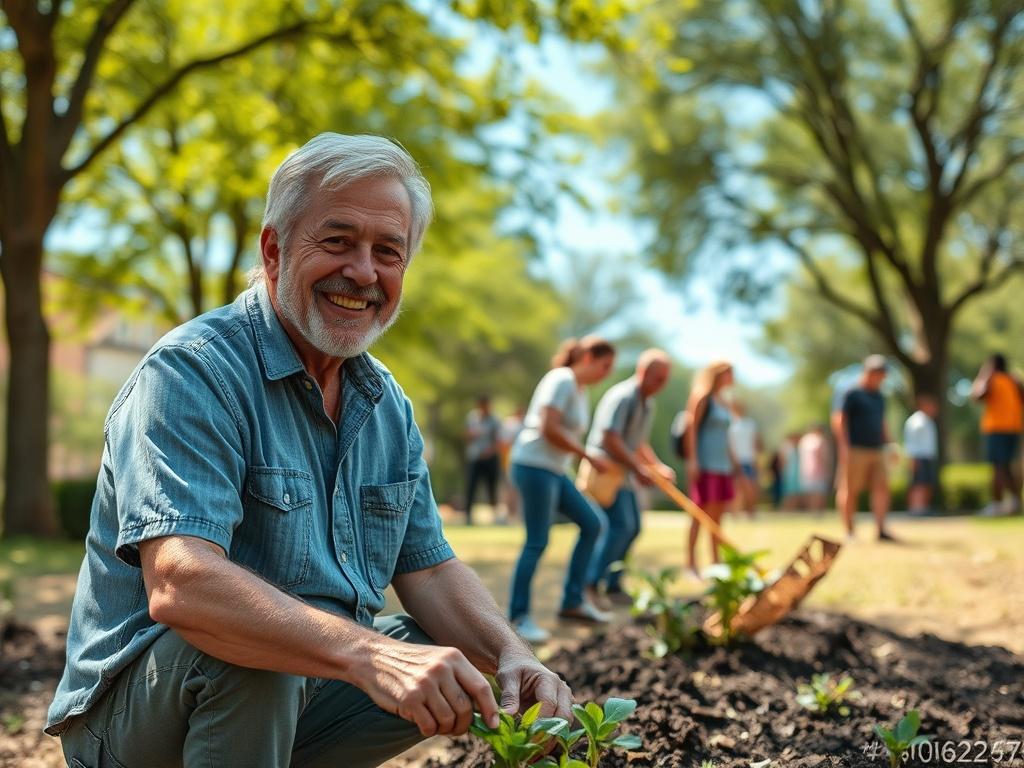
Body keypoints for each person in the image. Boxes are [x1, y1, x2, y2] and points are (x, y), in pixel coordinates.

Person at [46, 134, 572, 768]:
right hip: (136, 731)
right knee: (251, 652)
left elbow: (430, 570)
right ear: (274, 250)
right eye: (337, 241)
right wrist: (372, 655)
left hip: (293, 704)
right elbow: (180, 584)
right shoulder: (191, 373)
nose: (363, 272)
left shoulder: (386, 405)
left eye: (388, 252)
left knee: (447, 646)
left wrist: (514, 656)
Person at [508, 337, 616, 642]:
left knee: (593, 524)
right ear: (587, 358)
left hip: (554, 469)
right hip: (533, 466)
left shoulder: (580, 391)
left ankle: (572, 602)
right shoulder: (562, 379)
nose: (605, 374)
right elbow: (548, 427)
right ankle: (518, 617)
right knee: (537, 541)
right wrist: (587, 456)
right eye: (604, 366)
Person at [583, 349, 675, 608]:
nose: (662, 385)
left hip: (623, 472)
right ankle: (590, 585)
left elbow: (637, 441)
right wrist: (638, 468)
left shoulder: (647, 402)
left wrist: (656, 466)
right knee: (620, 526)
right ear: (643, 372)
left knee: (632, 527)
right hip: (606, 471)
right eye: (658, 378)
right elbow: (610, 438)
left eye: (665, 379)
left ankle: (613, 585)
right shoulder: (624, 397)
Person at [685, 360, 740, 574]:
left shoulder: (724, 402)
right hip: (705, 464)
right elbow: (691, 429)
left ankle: (716, 563)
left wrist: (734, 461)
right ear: (718, 374)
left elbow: (726, 436)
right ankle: (690, 563)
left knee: (717, 517)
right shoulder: (702, 397)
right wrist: (692, 460)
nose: (732, 377)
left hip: (722, 466)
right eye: (729, 373)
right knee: (699, 514)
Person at [836, 354, 894, 541]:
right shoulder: (851, 393)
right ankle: (849, 530)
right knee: (850, 490)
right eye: (878, 375)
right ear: (868, 372)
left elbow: (882, 423)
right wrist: (844, 447)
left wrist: (890, 444)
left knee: (882, 488)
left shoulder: (879, 396)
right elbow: (839, 421)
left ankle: (881, 529)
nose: (880, 380)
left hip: (877, 449)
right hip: (856, 449)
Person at [972, 354, 1024, 517]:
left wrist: (983, 375)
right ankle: (1015, 501)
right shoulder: (1014, 381)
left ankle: (997, 504)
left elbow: (977, 396)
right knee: (1007, 466)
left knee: (998, 466)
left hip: (996, 429)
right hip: (1014, 427)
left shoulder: (991, 379)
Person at [463, 395, 502, 525]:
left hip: (490, 457)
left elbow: (498, 440)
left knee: (492, 486)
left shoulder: (495, 420)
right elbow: (466, 435)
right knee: (471, 486)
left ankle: (495, 516)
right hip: (475, 457)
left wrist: (490, 451)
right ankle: (468, 516)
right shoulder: (472, 418)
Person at [903, 395, 940, 515]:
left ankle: (924, 507)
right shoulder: (916, 421)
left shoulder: (927, 420)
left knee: (927, 483)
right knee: (918, 483)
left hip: (927, 456)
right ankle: (916, 508)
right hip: (918, 456)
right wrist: (912, 458)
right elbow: (911, 442)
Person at [728, 401, 761, 518]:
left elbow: (755, 442)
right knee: (736, 489)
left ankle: (751, 512)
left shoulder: (750, 424)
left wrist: (756, 458)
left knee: (751, 487)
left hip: (749, 459)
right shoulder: (730, 424)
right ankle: (735, 514)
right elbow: (729, 444)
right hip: (736, 461)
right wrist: (733, 459)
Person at [497, 406, 526, 523]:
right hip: (510, 460)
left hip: (522, 461)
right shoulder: (510, 424)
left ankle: (518, 515)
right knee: (509, 489)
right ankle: (507, 515)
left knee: (518, 490)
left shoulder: (525, 424)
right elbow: (503, 443)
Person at [798, 425, 830, 513]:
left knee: (809, 494)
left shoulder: (804, 440)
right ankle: (817, 513)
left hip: (805, 471)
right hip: (819, 471)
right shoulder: (820, 440)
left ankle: (810, 512)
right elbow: (823, 457)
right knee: (819, 494)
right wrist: (827, 468)